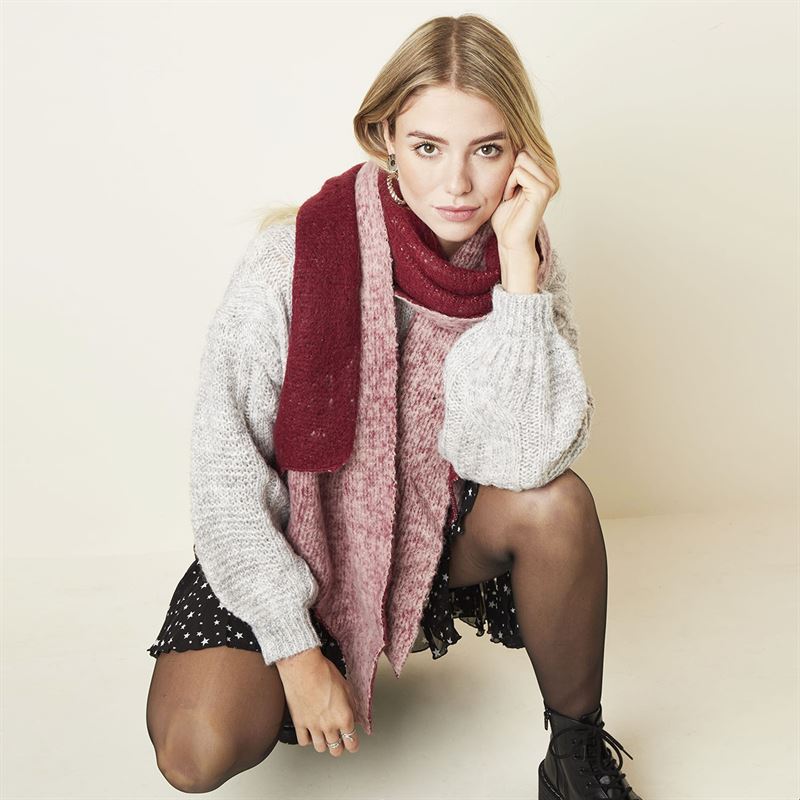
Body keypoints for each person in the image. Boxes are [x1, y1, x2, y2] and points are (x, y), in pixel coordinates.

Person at [144, 13, 645, 799]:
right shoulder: (291, 257)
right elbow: (224, 471)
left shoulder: (528, 261)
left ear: (521, 153)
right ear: (384, 137)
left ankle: (576, 754)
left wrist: (518, 276)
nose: (458, 185)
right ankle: (307, 635)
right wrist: (294, 651)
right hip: (290, 537)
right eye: (428, 147)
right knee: (194, 752)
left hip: (427, 531)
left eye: (487, 149)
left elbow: (524, 460)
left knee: (557, 504)